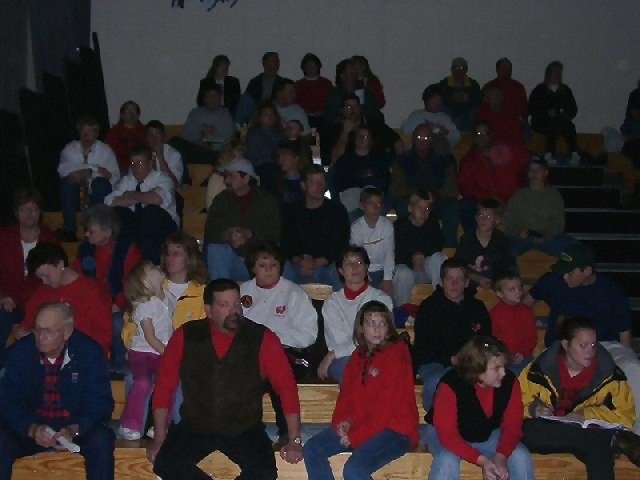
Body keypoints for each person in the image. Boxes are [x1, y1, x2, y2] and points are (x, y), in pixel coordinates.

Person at [148, 279, 304, 478]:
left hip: (244, 428)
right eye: (224, 305)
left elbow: (287, 389)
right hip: (195, 426)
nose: (234, 310)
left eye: (237, 303)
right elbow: (164, 387)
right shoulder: (186, 336)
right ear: (208, 310)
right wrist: (160, 439)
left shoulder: (262, 338)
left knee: (264, 473)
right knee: (166, 464)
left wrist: (294, 439)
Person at [524, 242, 640, 433]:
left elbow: (625, 336)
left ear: (587, 270)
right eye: (563, 271)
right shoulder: (553, 281)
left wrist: (619, 371)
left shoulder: (611, 292)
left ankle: (634, 436)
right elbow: (522, 305)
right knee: (542, 376)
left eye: (570, 272)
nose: (564, 276)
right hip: (564, 346)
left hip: (605, 344)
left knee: (634, 369)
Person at [304, 301, 418, 480]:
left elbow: (385, 406)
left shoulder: (397, 353)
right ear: (361, 327)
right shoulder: (357, 356)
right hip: (363, 425)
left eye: (382, 323)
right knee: (313, 448)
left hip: (396, 430)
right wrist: (345, 422)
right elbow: (348, 397)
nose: (377, 328)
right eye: (371, 323)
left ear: (389, 328)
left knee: (354, 469)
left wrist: (357, 435)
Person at [0, 302, 115, 480]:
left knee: (102, 440)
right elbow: (8, 401)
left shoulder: (89, 352)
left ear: (67, 332)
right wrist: (31, 429)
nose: (41, 337)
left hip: (74, 424)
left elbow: (101, 403)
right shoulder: (21, 352)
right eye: (37, 330)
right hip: (34, 424)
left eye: (49, 331)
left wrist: (75, 429)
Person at [520, 316, 640, 479]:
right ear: (565, 345)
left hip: (585, 433)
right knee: (530, 431)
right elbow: (515, 402)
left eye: (593, 345)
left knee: (596, 446)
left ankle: (605, 439)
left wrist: (586, 415)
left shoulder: (610, 376)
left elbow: (626, 417)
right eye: (583, 345)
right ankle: (611, 440)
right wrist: (534, 408)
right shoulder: (539, 369)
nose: (590, 352)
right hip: (548, 432)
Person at [425, 336, 534, 480]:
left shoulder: (509, 382)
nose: (503, 373)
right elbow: (448, 435)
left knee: (520, 456)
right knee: (447, 461)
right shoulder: (450, 385)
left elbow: (513, 427)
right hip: (445, 434)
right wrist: (483, 461)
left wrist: (501, 457)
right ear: (477, 370)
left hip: (485, 433)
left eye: (504, 366)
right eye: (497, 368)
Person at [240, 243, 317, 445]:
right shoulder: (241, 292)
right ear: (253, 267)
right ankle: (246, 431)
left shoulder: (294, 293)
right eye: (262, 265)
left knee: (276, 373)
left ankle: (286, 433)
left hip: (290, 353)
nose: (268, 270)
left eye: (273, 265)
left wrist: (272, 338)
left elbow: (309, 335)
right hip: (250, 354)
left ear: (280, 267)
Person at [413, 259, 491, 411]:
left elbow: (485, 341)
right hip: (435, 362)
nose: (454, 284)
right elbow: (423, 346)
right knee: (438, 381)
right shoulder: (428, 307)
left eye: (459, 279)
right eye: (450, 279)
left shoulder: (477, 308)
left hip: (470, 362)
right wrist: (450, 358)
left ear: (467, 282)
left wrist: (472, 359)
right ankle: (434, 422)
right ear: (442, 282)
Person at [73, 204, 142, 372]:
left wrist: (117, 303)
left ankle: (118, 366)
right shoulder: (85, 250)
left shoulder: (128, 250)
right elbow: (77, 279)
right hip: (92, 304)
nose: (86, 234)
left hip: (120, 306)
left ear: (108, 232)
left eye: (91, 230)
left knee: (118, 322)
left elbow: (133, 284)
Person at [17, 242, 112, 357]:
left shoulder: (91, 290)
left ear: (60, 265)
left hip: (82, 355)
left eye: (46, 275)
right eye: (40, 277)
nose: (44, 281)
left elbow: (104, 335)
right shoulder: (41, 292)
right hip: (46, 354)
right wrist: (24, 333)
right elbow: (28, 324)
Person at [318, 246, 393, 383]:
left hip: (377, 353)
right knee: (352, 370)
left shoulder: (381, 299)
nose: (355, 267)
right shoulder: (332, 303)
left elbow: (379, 338)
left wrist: (333, 354)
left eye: (359, 263)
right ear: (340, 270)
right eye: (348, 263)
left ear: (366, 268)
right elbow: (338, 342)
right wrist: (338, 353)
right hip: (344, 359)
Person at [0, 188, 57, 369]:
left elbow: (55, 278)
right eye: (24, 209)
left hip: (39, 303)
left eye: (33, 209)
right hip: (8, 301)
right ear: (17, 213)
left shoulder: (49, 239)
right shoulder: (4, 237)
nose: (29, 214)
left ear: (40, 212)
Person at [119, 262, 174, 441]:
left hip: (160, 351)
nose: (159, 267)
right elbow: (150, 337)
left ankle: (161, 423)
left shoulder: (169, 298)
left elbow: (169, 327)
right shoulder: (144, 305)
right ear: (143, 281)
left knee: (168, 383)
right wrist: (169, 354)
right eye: (152, 269)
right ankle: (129, 424)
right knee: (142, 382)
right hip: (142, 352)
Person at [204, 158, 281, 282]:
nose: (226, 180)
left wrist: (249, 234)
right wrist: (228, 234)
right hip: (232, 260)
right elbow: (210, 230)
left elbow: (274, 233)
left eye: (231, 176)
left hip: (258, 260)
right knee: (215, 249)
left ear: (246, 178)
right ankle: (220, 292)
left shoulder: (266, 200)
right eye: (226, 176)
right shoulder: (221, 200)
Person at [104, 145, 179, 265]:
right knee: (122, 213)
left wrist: (130, 195)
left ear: (150, 164)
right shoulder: (127, 181)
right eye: (132, 163)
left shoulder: (163, 179)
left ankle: (151, 265)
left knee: (151, 212)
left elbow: (156, 200)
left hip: (163, 228)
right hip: (136, 226)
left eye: (139, 162)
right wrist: (142, 197)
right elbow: (109, 201)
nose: (135, 167)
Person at [281, 165, 350, 291]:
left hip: (326, 264)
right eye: (314, 182)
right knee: (279, 268)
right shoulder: (292, 211)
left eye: (322, 182)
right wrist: (298, 261)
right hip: (298, 264)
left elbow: (340, 244)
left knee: (341, 270)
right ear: (303, 185)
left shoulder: (337, 210)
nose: (319, 186)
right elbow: (286, 242)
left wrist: (317, 263)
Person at [391, 123, 460, 246]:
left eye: (426, 138)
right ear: (413, 139)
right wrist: (418, 196)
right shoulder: (402, 160)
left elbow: (452, 190)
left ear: (432, 140)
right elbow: (396, 189)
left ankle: (449, 248)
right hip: (412, 200)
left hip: (437, 200)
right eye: (419, 138)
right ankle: (408, 245)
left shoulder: (445, 160)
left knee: (452, 207)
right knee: (403, 205)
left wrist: (433, 196)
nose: (422, 142)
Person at [457, 120, 528, 234]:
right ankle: (472, 240)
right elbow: (464, 186)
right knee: (465, 204)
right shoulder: (468, 160)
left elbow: (528, 165)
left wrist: (511, 200)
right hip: (484, 203)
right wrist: (490, 198)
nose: (481, 137)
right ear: (473, 137)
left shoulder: (509, 151)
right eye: (478, 134)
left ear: (491, 135)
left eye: (485, 133)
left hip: (512, 201)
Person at [57, 116, 120, 242]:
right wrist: (94, 169)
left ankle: (98, 229)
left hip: (97, 193)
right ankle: (70, 231)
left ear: (96, 133)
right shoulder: (70, 149)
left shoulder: (105, 151)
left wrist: (89, 171)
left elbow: (113, 176)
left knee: (100, 184)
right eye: (83, 132)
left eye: (89, 132)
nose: (85, 135)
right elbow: (63, 170)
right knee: (67, 184)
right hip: (76, 192)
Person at [503, 157, 575, 257]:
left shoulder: (554, 195)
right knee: (507, 250)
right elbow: (509, 220)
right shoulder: (518, 195)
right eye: (531, 170)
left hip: (548, 239)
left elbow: (558, 223)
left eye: (538, 170)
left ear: (545, 173)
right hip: (523, 239)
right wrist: (518, 232)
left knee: (570, 249)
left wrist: (547, 236)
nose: (534, 173)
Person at [392, 191, 447, 307]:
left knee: (439, 258)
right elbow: (396, 253)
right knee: (402, 273)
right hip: (407, 268)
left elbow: (437, 245)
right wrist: (413, 258)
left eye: (427, 209)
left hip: (425, 268)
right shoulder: (399, 226)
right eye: (420, 208)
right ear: (410, 208)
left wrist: (421, 255)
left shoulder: (433, 223)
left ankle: (443, 299)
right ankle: (403, 309)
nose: (423, 212)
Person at [321, 93, 401, 166]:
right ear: (342, 110)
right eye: (349, 107)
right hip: (347, 170)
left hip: (374, 167)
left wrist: (399, 163)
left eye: (356, 106)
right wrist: (344, 133)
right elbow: (335, 159)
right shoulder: (333, 130)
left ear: (360, 108)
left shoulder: (374, 124)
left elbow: (397, 141)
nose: (353, 110)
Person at [455, 198, 516, 290]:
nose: (483, 219)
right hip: (471, 280)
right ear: (476, 218)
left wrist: (495, 281)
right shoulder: (467, 238)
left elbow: (506, 265)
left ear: (497, 221)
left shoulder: (501, 240)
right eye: (481, 215)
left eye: (488, 217)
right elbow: (459, 264)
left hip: (494, 281)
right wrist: (476, 278)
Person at [529, 61, 579, 164]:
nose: (558, 75)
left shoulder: (565, 90)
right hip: (541, 122)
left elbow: (573, 109)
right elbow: (532, 109)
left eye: (559, 73)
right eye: (555, 72)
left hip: (561, 122)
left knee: (566, 124)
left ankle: (574, 153)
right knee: (553, 123)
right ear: (548, 74)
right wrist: (547, 113)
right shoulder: (539, 90)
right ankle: (549, 153)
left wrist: (563, 113)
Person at [334, 127, 392, 214]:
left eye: (365, 137)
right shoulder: (345, 159)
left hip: (372, 195)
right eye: (358, 136)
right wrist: (366, 179)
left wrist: (361, 180)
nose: (361, 139)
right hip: (351, 197)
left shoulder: (379, 159)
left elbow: (383, 181)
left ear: (371, 141)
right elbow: (341, 182)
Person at [490, 270, 537, 374]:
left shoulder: (527, 311)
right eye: (512, 290)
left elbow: (531, 337)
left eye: (520, 288)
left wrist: (523, 353)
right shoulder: (495, 314)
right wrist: (505, 356)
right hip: (501, 359)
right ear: (500, 293)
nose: (518, 292)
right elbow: (492, 339)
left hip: (524, 357)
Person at [350, 187, 394, 295]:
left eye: (378, 204)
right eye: (371, 204)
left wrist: (387, 279)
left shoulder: (387, 225)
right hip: (365, 270)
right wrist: (365, 277)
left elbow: (389, 253)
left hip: (383, 270)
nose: (375, 208)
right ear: (362, 206)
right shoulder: (356, 228)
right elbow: (358, 256)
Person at [179, 84, 237, 164]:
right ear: (204, 99)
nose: (212, 100)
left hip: (216, 153)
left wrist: (211, 144)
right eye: (209, 97)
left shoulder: (226, 116)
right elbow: (186, 136)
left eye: (215, 97)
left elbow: (229, 140)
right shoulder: (195, 114)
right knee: (176, 142)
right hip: (196, 151)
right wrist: (201, 135)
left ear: (220, 98)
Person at [245, 101, 287, 194]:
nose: (270, 116)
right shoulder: (254, 135)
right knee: (270, 172)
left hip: (280, 166)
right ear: (259, 117)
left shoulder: (280, 134)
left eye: (272, 114)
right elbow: (252, 157)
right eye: (266, 114)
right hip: (262, 167)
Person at [400, 84, 461, 148]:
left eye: (440, 99)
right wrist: (425, 128)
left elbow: (456, 138)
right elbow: (406, 131)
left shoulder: (444, 117)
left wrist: (445, 132)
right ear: (426, 100)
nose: (438, 102)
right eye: (435, 98)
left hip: (439, 152)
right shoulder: (417, 115)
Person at [323, 58, 379, 124]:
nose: (355, 73)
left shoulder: (365, 92)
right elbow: (330, 115)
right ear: (342, 75)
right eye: (351, 71)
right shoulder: (334, 94)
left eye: (355, 71)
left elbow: (372, 112)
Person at [438, 57, 482, 131]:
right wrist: (452, 98)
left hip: (467, 111)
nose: (459, 70)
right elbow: (439, 98)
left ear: (466, 70)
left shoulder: (473, 84)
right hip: (451, 111)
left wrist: (469, 99)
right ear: (452, 70)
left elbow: (478, 99)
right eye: (456, 67)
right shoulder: (444, 83)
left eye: (461, 67)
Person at [483, 58, 528, 126]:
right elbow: (483, 105)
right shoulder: (489, 86)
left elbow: (524, 108)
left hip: (514, 121)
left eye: (509, 68)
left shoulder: (518, 87)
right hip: (493, 121)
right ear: (497, 69)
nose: (507, 70)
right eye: (504, 67)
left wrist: (523, 118)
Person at [105, 100, 146, 174]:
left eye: (134, 111)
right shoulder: (114, 132)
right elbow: (109, 153)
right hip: (120, 167)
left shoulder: (145, 131)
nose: (131, 114)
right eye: (128, 111)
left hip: (141, 166)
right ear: (122, 115)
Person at [295, 53, 333, 129]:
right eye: (308, 66)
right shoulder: (298, 85)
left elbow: (331, 102)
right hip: (304, 119)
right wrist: (304, 112)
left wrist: (323, 111)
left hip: (323, 119)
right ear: (303, 68)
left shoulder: (326, 83)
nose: (310, 68)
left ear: (318, 67)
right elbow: (295, 102)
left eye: (313, 66)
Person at [146, 120, 185, 189]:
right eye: (151, 134)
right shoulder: (142, 153)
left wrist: (161, 158)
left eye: (158, 134)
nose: (154, 138)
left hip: (167, 192)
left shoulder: (174, 155)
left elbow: (176, 185)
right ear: (146, 137)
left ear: (164, 136)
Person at [274, 140, 308, 205]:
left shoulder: (307, 181)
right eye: (279, 156)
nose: (280, 159)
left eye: (284, 155)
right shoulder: (275, 182)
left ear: (296, 157)